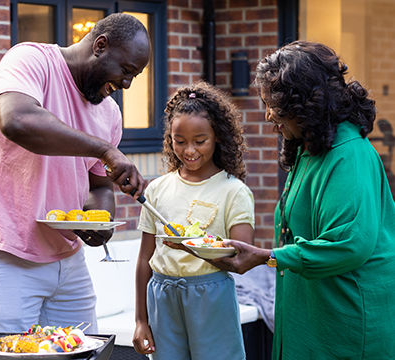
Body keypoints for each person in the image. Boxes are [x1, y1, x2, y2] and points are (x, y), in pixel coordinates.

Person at [0, 13, 150, 333]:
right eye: (126, 71)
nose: (127, 85)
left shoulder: (109, 113)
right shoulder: (32, 60)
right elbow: (17, 120)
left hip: (69, 261)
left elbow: (99, 185)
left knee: (83, 351)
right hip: (9, 255)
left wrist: (101, 220)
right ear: (100, 46)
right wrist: (104, 150)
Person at [214, 41, 395, 359]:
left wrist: (267, 257)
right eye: (266, 103)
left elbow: (348, 244)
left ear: (309, 104)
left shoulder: (349, 156)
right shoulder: (312, 147)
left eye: (277, 107)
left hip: (346, 329)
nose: (269, 115)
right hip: (312, 318)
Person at [133, 81, 255, 360]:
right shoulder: (157, 190)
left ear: (218, 137)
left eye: (200, 141)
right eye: (180, 141)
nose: (189, 150)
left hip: (210, 295)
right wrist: (141, 320)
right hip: (162, 296)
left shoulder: (233, 191)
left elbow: (241, 257)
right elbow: (144, 259)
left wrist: (189, 247)